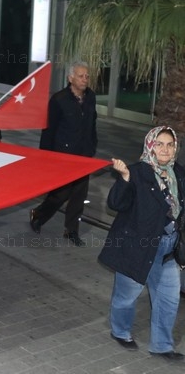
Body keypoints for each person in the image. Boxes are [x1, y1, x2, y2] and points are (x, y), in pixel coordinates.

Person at [98, 126, 184, 360]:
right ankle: (120, 331)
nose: (165, 149)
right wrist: (124, 178)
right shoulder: (137, 172)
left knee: (169, 299)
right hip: (137, 247)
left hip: (168, 249)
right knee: (126, 296)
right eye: (160, 144)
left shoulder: (179, 173)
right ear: (150, 146)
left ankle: (162, 346)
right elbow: (116, 204)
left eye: (170, 144)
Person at [29, 61, 97, 247]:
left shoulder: (91, 97)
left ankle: (71, 230)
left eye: (87, 76)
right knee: (61, 194)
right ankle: (38, 215)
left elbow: (92, 123)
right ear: (70, 78)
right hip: (63, 156)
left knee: (79, 195)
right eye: (81, 76)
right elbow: (48, 130)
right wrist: (46, 157)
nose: (85, 79)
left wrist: (92, 146)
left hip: (83, 155)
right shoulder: (59, 100)